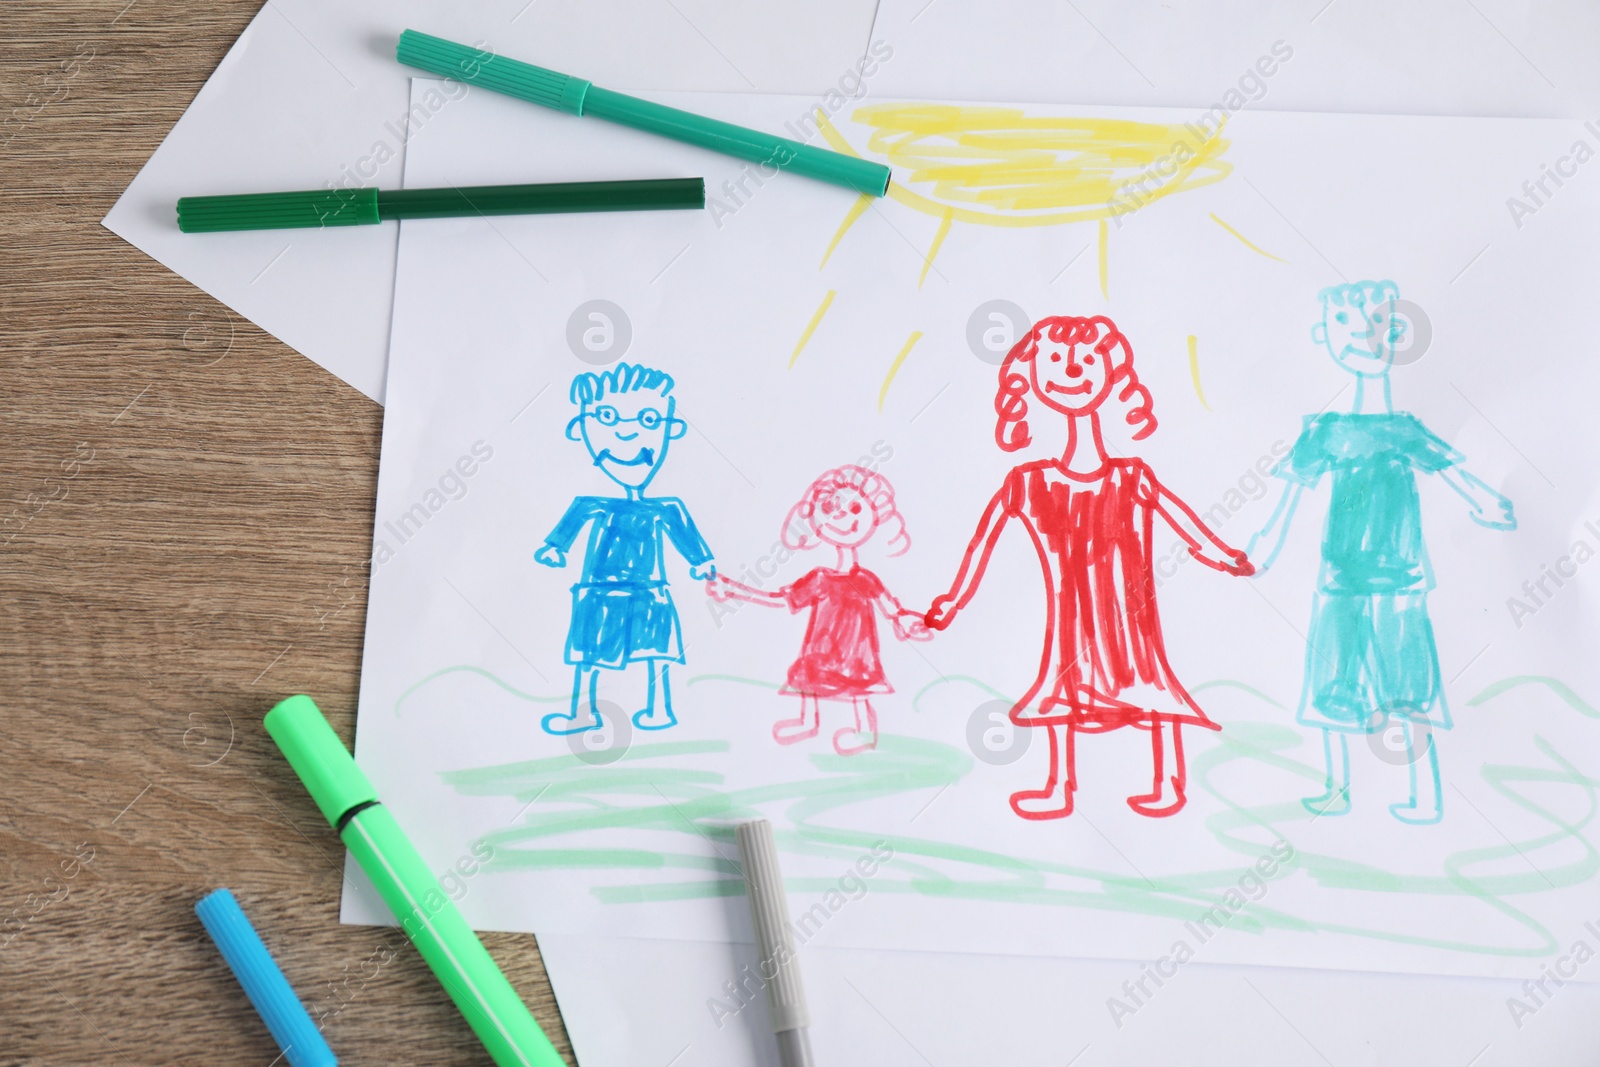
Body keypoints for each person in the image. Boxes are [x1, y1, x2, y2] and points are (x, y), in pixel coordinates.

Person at [926, 315, 1253, 819]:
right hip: (1072, 617)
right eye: (1055, 361)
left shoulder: (1132, 476)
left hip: (1130, 615)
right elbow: (984, 543)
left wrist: (1222, 554)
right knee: (1062, 684)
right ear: (1032, 376)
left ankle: (1167, 781)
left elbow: (1184, 522)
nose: (1071, 371)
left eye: (1085, 361)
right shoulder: (1027, 483)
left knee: (1149, 680)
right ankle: (1060, 785)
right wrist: (951, 599)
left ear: (1111, 373)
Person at [1248, 281, 1515, 824]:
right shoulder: (1326, 431)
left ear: (1398, 336)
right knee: (1333, 685)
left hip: (1401, 583)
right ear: (1324, 336)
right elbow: (1289, 497)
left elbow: (1456, 474)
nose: (1365, 340)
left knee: (1407, 688)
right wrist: (1264, 545)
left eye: (1379, 327)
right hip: (1339, 582)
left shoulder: (1403, 430)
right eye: (1347, 326)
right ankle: (1338, 788)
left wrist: (1487, 501)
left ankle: (1423, 795)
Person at [536, 362, 715, 735]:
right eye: (606, 418)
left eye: (649, 420)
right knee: (590, 653)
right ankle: (585, 712)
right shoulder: (592, 503)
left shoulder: (664, 508)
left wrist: (701, 561)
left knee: (657, 653)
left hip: (650, 590)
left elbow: (684, 534)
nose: (627, 434)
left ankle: (660, 709)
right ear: (579, 429)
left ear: (672, 431)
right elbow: (565, 532)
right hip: (599, 591)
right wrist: (555, 548)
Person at [709, 465, 929, 755]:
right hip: (821, 650)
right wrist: (737, 591)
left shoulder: (865, 579)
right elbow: (780, 600)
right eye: (830, 507)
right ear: (815, 519)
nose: (842, 515)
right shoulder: (820, 579)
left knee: (858, 687)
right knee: (811, 675)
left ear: (876, 517)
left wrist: (910, 623)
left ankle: (864, 730)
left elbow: (893, 611)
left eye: (854, 508)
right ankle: (807, 721)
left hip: (856, 652)